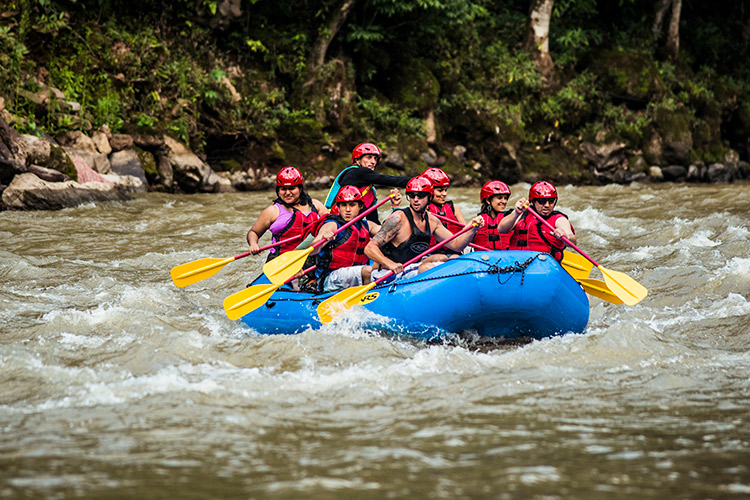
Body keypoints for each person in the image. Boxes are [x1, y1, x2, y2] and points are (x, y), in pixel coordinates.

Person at [365, 176, 484, 279]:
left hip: (410, 269)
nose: (416, 200)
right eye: (412, 195)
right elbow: (370, 248)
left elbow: (457, 245)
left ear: (429, 197)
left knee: (451, 261)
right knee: (427, 268)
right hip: (386, 273)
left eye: (420, 195)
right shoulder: (397, 219)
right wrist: (390, 264)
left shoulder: (432, 221)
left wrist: (472, 228)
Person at [310, 186, 401, 292]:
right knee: (369, 272)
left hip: (355, 277)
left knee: (383, 268)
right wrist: (322, 240)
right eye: (344, 205)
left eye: (352, 205)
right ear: (338, 207)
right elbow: (312, 250)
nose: (348, 209)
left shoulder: (367, 226)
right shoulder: (332, 225)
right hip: (331, 280)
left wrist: (395, 207)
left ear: (360, 206)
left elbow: (392, 232)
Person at [246, 166, 329, 261]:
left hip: (312, 260)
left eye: (292, 188)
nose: (287, 193)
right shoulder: (272, 211)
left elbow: (331, 221)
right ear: (278, 190)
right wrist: (253, 244)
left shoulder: (315, 205)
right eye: (283, 189)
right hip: (283, 262)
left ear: (300, 189)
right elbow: (253, 232)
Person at [324, 142, 410, 223]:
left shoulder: (370, 192)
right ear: (357, 161)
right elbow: (389, 180)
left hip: (350, 226)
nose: (373, 162)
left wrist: (395, 207)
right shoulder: (356, 172)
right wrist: (417, 181)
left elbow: (373, 221)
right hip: (331, 222)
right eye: (368, 157)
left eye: (375, 159)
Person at [499, 180, 576, 262]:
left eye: (551, 201)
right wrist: (516, 213)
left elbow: (572, 240)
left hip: (543, 265)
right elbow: (501, 229)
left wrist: (565, 236)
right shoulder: (520, 214)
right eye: (542, 201)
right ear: (532, 202)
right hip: (516, 263)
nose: (547, 205)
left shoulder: (559, 219)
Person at [422, 167, 466, 255]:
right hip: (430, 254)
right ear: (429, 190)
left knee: (454, 257)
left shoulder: (454, 208)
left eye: (445, 190)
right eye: (440, 190)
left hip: (453, 252)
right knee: (440, 258)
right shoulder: (422, 209)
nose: (444, 194)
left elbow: (465, 231)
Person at [472, 180, 513, 251]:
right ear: (488, 200)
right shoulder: (478, 220)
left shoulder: (512, 218)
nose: (504, 201)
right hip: (483, 258)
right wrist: (473, 230)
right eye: (499, 198)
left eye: (505, 198)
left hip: (506, 258)